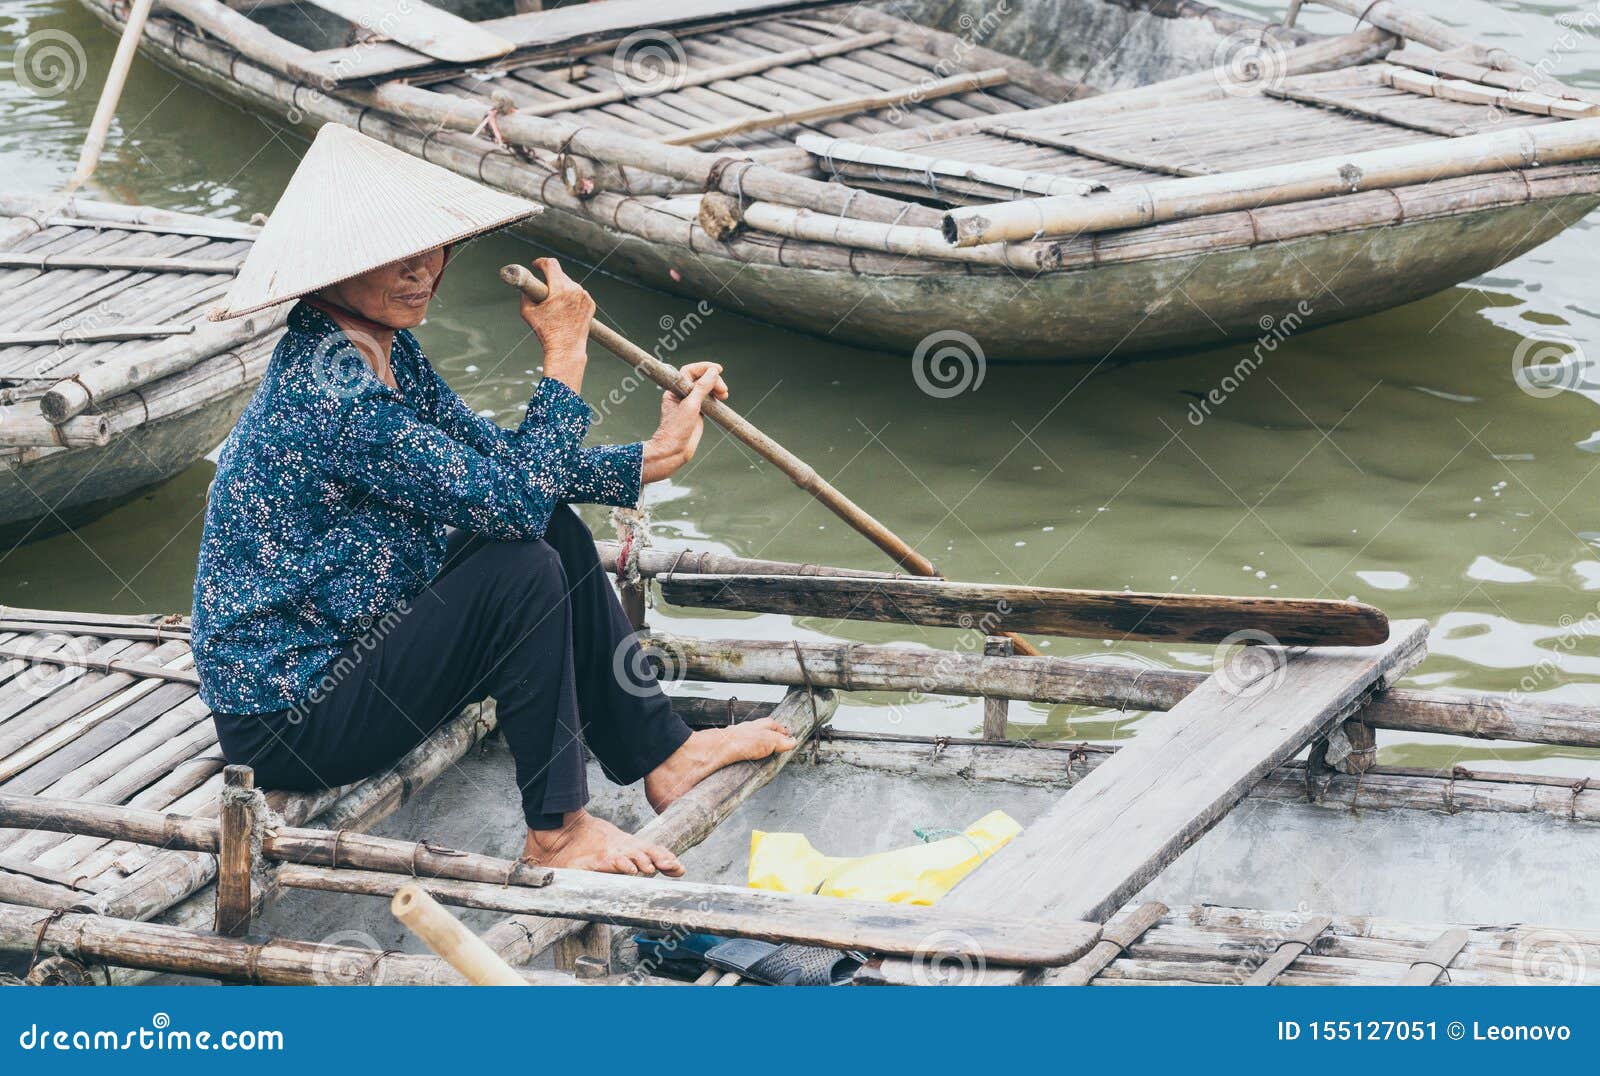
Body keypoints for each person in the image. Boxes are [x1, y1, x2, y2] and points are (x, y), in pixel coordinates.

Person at [191, 123, 794, 877]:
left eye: (431, 248)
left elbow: (496, 472)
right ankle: (558, 831)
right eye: (393, 257)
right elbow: (506, 505)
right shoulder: (330, 388)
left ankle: (660, 752)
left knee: (550, 530)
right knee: (518, 567)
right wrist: (565, 354)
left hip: (362, 643)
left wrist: (650, 458)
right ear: (331, 268)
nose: (423, 273)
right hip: (296, 717)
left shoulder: (382, 346)